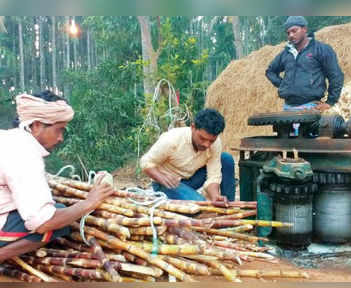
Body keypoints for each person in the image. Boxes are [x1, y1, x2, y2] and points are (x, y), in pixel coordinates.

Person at [0, 91, 114, 262]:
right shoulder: (24, 152)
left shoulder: (9, 138)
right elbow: (43, 223)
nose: (60, 138)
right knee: (55, 221)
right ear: (36, 125)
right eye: (59, 130)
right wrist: (90, 202)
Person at [140, 108, 235, 204]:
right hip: (168, 182)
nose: (207, 145)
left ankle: (228, 204)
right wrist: (161, 177)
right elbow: (146, 162)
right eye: (202, 138)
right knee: (199, 205)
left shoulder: (215, 143)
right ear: (193, 127)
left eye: (211, 141)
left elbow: (213, 175)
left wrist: (215, 196)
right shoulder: (172, 139)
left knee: (226, 159)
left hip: (192, 178)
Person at [266, 16, 344, 113]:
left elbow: (336, 76)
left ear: (304, 29)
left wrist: (330, 102)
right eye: (288, 33)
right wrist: (284, 85)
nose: (290, 35)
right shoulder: (286, 53)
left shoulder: (321, 49)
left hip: (311, 107)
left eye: (294, 31)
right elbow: (270, 71)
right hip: (287, 108)